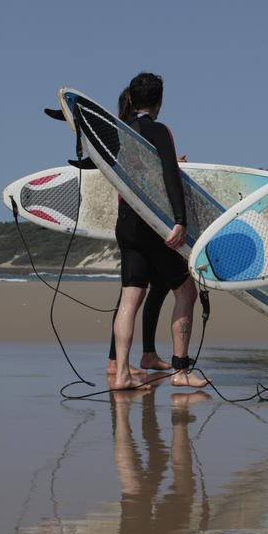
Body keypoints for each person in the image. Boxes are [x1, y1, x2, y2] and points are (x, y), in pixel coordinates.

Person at [111, 72, 208, 390]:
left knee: (130, 299)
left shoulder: (120, 132)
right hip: (152, 226)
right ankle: (181, 371)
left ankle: (122, 373)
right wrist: (180, 219)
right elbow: (169, 177)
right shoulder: (158, 130)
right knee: (186, 291)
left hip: (125, 223)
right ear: (159, 101)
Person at [107, 87, 171, 376]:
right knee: (138, 293)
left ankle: (135, 358)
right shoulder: (139, 132)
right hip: (146, 219)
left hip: (127, 220)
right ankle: (131, 359)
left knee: (134, 292)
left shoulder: (121, 133)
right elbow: (141, 174)